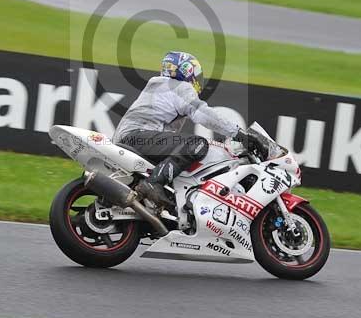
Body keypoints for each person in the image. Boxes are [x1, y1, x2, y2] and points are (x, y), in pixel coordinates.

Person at [112, 51, 268, 206]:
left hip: (133, 138)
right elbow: (203, 114)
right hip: (137, 137)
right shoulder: (178, 86)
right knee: (196, 144)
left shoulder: (160, 86)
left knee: (182, 157)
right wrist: (239, 134)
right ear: (187, 71)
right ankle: (153, 183)